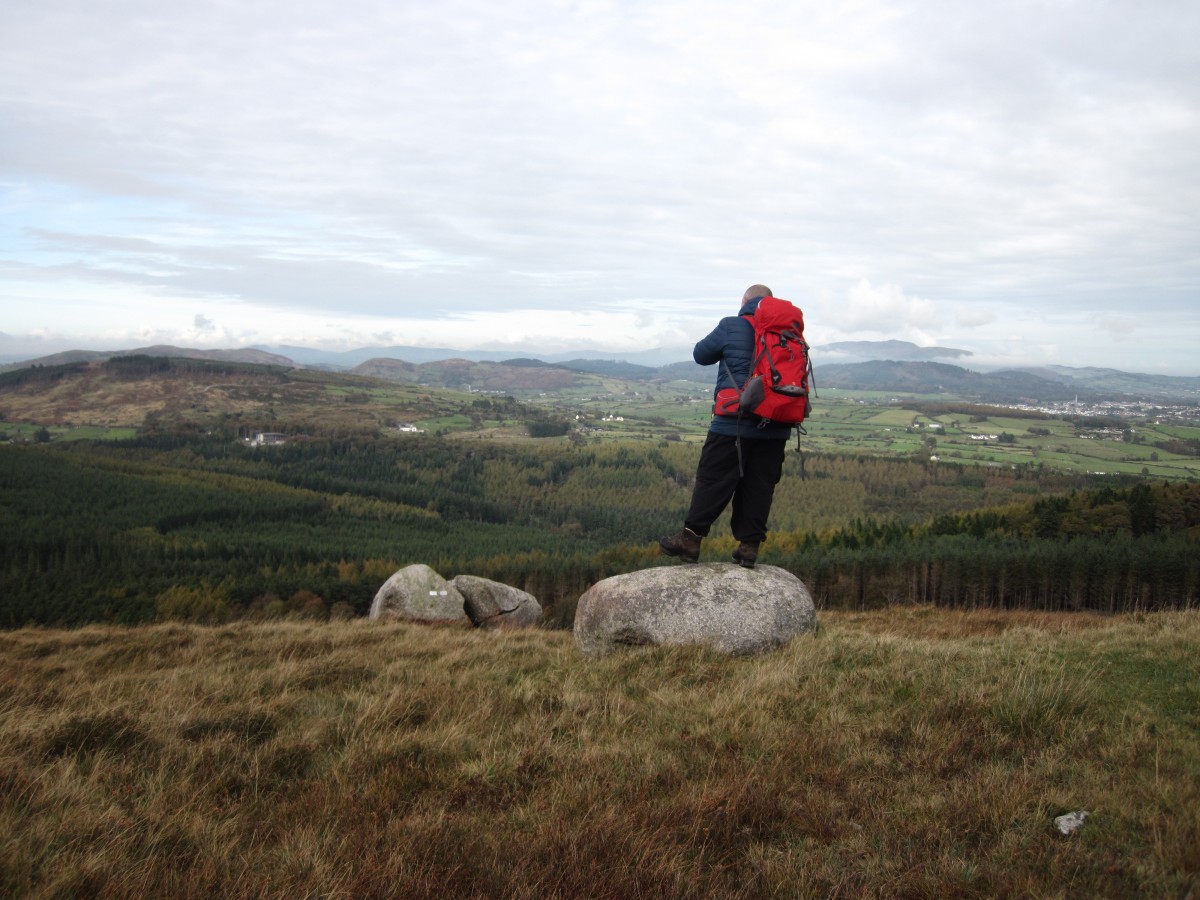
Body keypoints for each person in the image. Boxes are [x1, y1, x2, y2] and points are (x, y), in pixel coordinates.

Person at [659, 284, 793, 568]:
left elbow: (700, 354)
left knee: (712, 479)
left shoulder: (732, 325)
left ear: (744, 301)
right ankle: (748, 548)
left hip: (734, 422)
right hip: (777, 426)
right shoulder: (788, 333)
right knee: (759, 485)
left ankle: (690, 542)